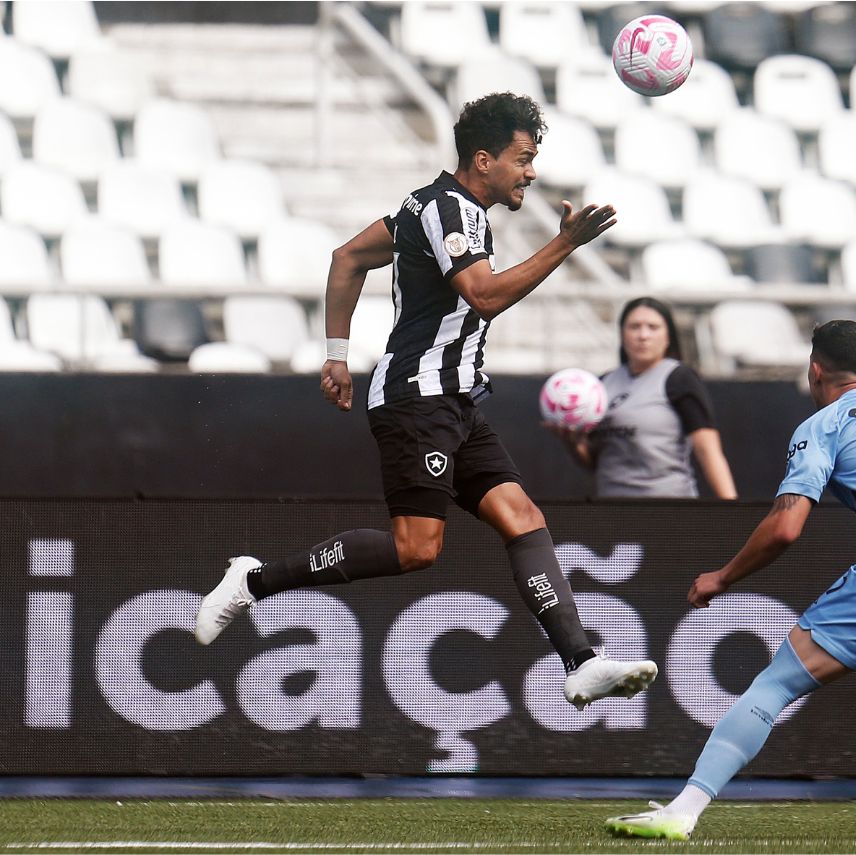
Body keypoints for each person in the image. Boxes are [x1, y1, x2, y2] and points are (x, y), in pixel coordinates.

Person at [194, 92, 658, 711]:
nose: (532, 171)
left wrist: (336, 352)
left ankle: (582, 663)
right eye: (523, 158)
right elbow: (484, 295)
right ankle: (253, 581)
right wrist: (563, 244)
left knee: (523, 519)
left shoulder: (429, 205)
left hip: (457, 402)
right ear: (484, 159)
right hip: (419, 400)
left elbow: (348, 257)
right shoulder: (452, 210)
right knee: (416, 549)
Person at [604, 320, 856, 840]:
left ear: (814, 370)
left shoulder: (825, 423)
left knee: (775, 683)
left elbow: (786, 528)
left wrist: (722, 577)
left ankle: (680, 812)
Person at [552, 296, 737, 499]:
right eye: (634, 327)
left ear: (668, 336)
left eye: (653, 327)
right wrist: (573, 443)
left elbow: (707, 450)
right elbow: (597, 463)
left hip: (668, 508)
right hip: (610, 510)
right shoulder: (602, 384)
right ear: (622, 334)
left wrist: (731, 510)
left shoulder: (679, 378)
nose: (643, 335)